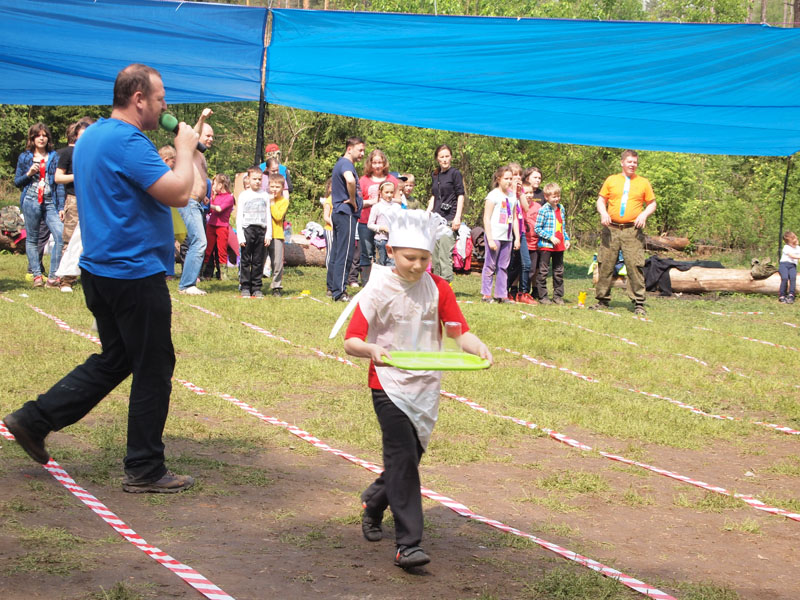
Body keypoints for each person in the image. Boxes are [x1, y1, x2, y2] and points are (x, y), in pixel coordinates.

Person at [3, 63, 198, 493]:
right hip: (133, 274)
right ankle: (145, 468)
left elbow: (191, 186)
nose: (166, 105)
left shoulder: (92, 137)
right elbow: (180, 194)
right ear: (139, 98)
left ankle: (33, 420)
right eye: (161, 97)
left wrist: (192, 151)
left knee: (117, 358)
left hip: (101, 270)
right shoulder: (129, 141)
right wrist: (183, 146)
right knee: (153, 366)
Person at [340, 208, 492, 570]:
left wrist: (477, 346)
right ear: (391, 251)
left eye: (425, 258)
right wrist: (373, 350)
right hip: (388, 384)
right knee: (403, 458)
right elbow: (351, 341)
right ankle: (408, 544)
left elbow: (458, 332)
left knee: (409, 457)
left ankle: (374, 502)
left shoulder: (438, 288)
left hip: (426, 385)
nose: (419, 265)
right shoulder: (377, 289)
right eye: (411, 258)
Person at [592, 150, 657, 316]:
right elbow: (601, 200)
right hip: (611, 229)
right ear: (622, 163)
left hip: (632, 230)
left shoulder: (643, 182)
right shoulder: (612, 180)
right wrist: (603, 213)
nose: (632, 165)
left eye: (635, 162)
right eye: (629, 162)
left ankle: (638, 302)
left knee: (635, 265)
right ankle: (602, 299)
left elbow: (652, 204)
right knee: (605, 263)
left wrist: (643, 214)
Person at [14, 122, 65, 288]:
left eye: (44, 135)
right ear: (32, 138)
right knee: (33, 238)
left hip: (50, 201)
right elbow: (17, 182)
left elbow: (59, 184)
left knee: (60, 235)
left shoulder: (54, 156)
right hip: (31, 199)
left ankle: (53, 277)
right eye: (38, 135)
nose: (41, 138)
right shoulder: (25, 157)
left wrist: (61, 207)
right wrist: (29, 173)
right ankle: (36, 275)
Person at [177, 108, 214, 296]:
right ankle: (187, 284)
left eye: (212, 136)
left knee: (195, 243)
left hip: (198, 203)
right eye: (208, 135)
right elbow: (194, 133)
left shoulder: (201, 155)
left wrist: (204, 196)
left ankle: (187, 282)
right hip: (188, 202)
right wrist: (202, 118)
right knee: (200, 242)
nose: (210, 139)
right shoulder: (190, 149)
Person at [54, 119, 93, 292]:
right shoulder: (69, 153)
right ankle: (66, 280)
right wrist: (77, 175)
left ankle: (90, 276)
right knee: (69, 240)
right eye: (81, 136)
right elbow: (58, 177)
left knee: (92, 240)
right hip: (74, 199)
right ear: (76, 137)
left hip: (93, 199)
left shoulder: (96, 153)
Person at [326, 136, 365, 302]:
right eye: (360, 150)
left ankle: (331, 287)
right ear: (350, 148)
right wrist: (353, 199)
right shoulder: (346, 164)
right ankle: (339, 292)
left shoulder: (341, 163)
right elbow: (349, 180)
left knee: (336, 252)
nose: (363, 153)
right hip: (345, 213)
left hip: (340, 213)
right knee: (345, 253)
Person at [358, 149, 400, 285]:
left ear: (384, 164)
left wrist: (387, 200)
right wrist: (372, 202)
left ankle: (385, 281)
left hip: (387, 226)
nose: (377, 166)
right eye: (374, 162)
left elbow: (399, 200)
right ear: (370, 164)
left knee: (387, 254)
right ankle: (366, 282)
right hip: (366, 222)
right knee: (367, 253)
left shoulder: (391, 180)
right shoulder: (363, 180)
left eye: (380, 162)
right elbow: (358, 203)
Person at [426, 144, 465, 283]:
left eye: (447, 156)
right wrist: (427, 214)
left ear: (451, 157)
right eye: (441, 157)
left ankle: (446, 285)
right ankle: (435, 285)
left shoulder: (455, 174)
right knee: (435, 256)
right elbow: (434, 196)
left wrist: (457, 218)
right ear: (437, 159)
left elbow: (460, 195)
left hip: (449, 220)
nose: (444, 159)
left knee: (444, 254)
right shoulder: (435, 175)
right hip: (436, 219)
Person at [481, 165, 519, 303]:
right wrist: (490, 239)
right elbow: (486, 218)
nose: (509, 181)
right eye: (506, 178)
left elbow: (514, 218)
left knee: (504, 267)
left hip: (507, 237)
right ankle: (486, 294)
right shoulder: (492, 196)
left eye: (511, 178)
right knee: (490, 265)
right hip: (494, 236)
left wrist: (516, 238)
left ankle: (501, 294)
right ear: (499, 179)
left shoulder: (512, 196)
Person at [236, 166, 272, 298]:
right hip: (248, 230)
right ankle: (245, 286)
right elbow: (239, 217)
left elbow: (268, 215)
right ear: (248, 180)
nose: (257, 181)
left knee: (258, 260)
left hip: (260, 230)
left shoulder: (265, 195)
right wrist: (241, 236)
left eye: (259, 179)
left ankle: (256, 287)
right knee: (246, 260)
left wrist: (268, 234)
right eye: (254, 179)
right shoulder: (244, 196)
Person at [534, 182, 571, 304]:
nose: (556, 199)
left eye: (558, 196)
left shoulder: (561, 208)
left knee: (559, 271)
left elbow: (562, 227)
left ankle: (558, 296)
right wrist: (550, 237)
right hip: (546, 245)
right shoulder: (543, 210)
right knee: (543, 271)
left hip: (559, 246)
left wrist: (566, 239)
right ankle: (543, 296)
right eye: (553, 197)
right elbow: (538, 228)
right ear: (546, 197)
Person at [506, 162, 533, 303]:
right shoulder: (504, 191)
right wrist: (512, 192)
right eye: (514, 175)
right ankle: (505, 290)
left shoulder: (520, 191)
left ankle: (523, 293)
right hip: (507, 231)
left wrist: (520, 192)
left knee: (526, 263)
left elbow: (526, 207)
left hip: (521, 231)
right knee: (510, 263)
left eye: (519, 175)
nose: (517, 178)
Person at [202, 173, 235, 281]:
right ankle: (203, 272)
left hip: (222, 227)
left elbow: (219, 209)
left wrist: (208, 204)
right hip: (211, 226)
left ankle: (223, 274)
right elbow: (210, 210)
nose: (213, 186)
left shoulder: (229, 198)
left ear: (221, 185)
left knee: (222, 250)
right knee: (208, 249)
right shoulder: (214, 197)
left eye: (215, 183)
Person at [522, 167, 545, 300]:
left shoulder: (543, 195)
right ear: (527, 178)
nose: (537, 180)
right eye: (535, 177)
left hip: (539, 237)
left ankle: (536, 289)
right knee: (526, 265)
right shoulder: (523, 192)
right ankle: (521, 289)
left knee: (537, 266)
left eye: (539, 178)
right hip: (526, 236)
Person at [267, 173, 289, 297]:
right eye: (272, 186)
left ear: (282, 188)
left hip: (277, 234)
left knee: (277, 263)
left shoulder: (283, 202)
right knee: (259, 260)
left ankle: (276, 286)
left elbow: (278, 216)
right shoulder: (265, 198)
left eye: (277, 187)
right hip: (264, 235)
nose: (274, 189)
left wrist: (272, 203)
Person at [367, 180, 398, 266]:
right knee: (381, 264)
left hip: (393, 240)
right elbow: (370, 224)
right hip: (381, 240)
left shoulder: (396, 206)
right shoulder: (377, 207)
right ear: (380, 192)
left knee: (392, 263)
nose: (389, 195)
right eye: (386, 192)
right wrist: (381, 228)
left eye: (391, 192)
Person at [779, 231, 800, 304]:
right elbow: (792, 255)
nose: (795, 242)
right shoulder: (786, 247)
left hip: (792, 266)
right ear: (788, 242)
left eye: (795, 239)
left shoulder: (798, 248)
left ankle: (791, 295)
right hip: (784, 265)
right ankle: (782, 295)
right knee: (784, 278)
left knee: (793, 278)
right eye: (793, 241)